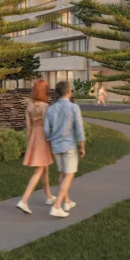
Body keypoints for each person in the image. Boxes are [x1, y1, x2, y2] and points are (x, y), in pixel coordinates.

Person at [44, 80, 85, 218]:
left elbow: (46, 130)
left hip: (56, 146)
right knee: (69, 175)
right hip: (69, 146)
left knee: (62, 174)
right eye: (71, 90)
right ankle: (57, 206)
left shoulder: (50, 109)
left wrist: (50, 140)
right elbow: (79, 128)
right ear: (68, 92)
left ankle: (66, 202)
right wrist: (82, 146)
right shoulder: (74, 108)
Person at [16, 80, 55, 214]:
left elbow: (28, 128)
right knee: (39, 171)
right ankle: (24, 200)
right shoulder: (45, 106)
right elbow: (46, 126)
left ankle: (49, 196)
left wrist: (30, 140)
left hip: (33, 136)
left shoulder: (29, 106)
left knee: (44, 169)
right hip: (42, 137)